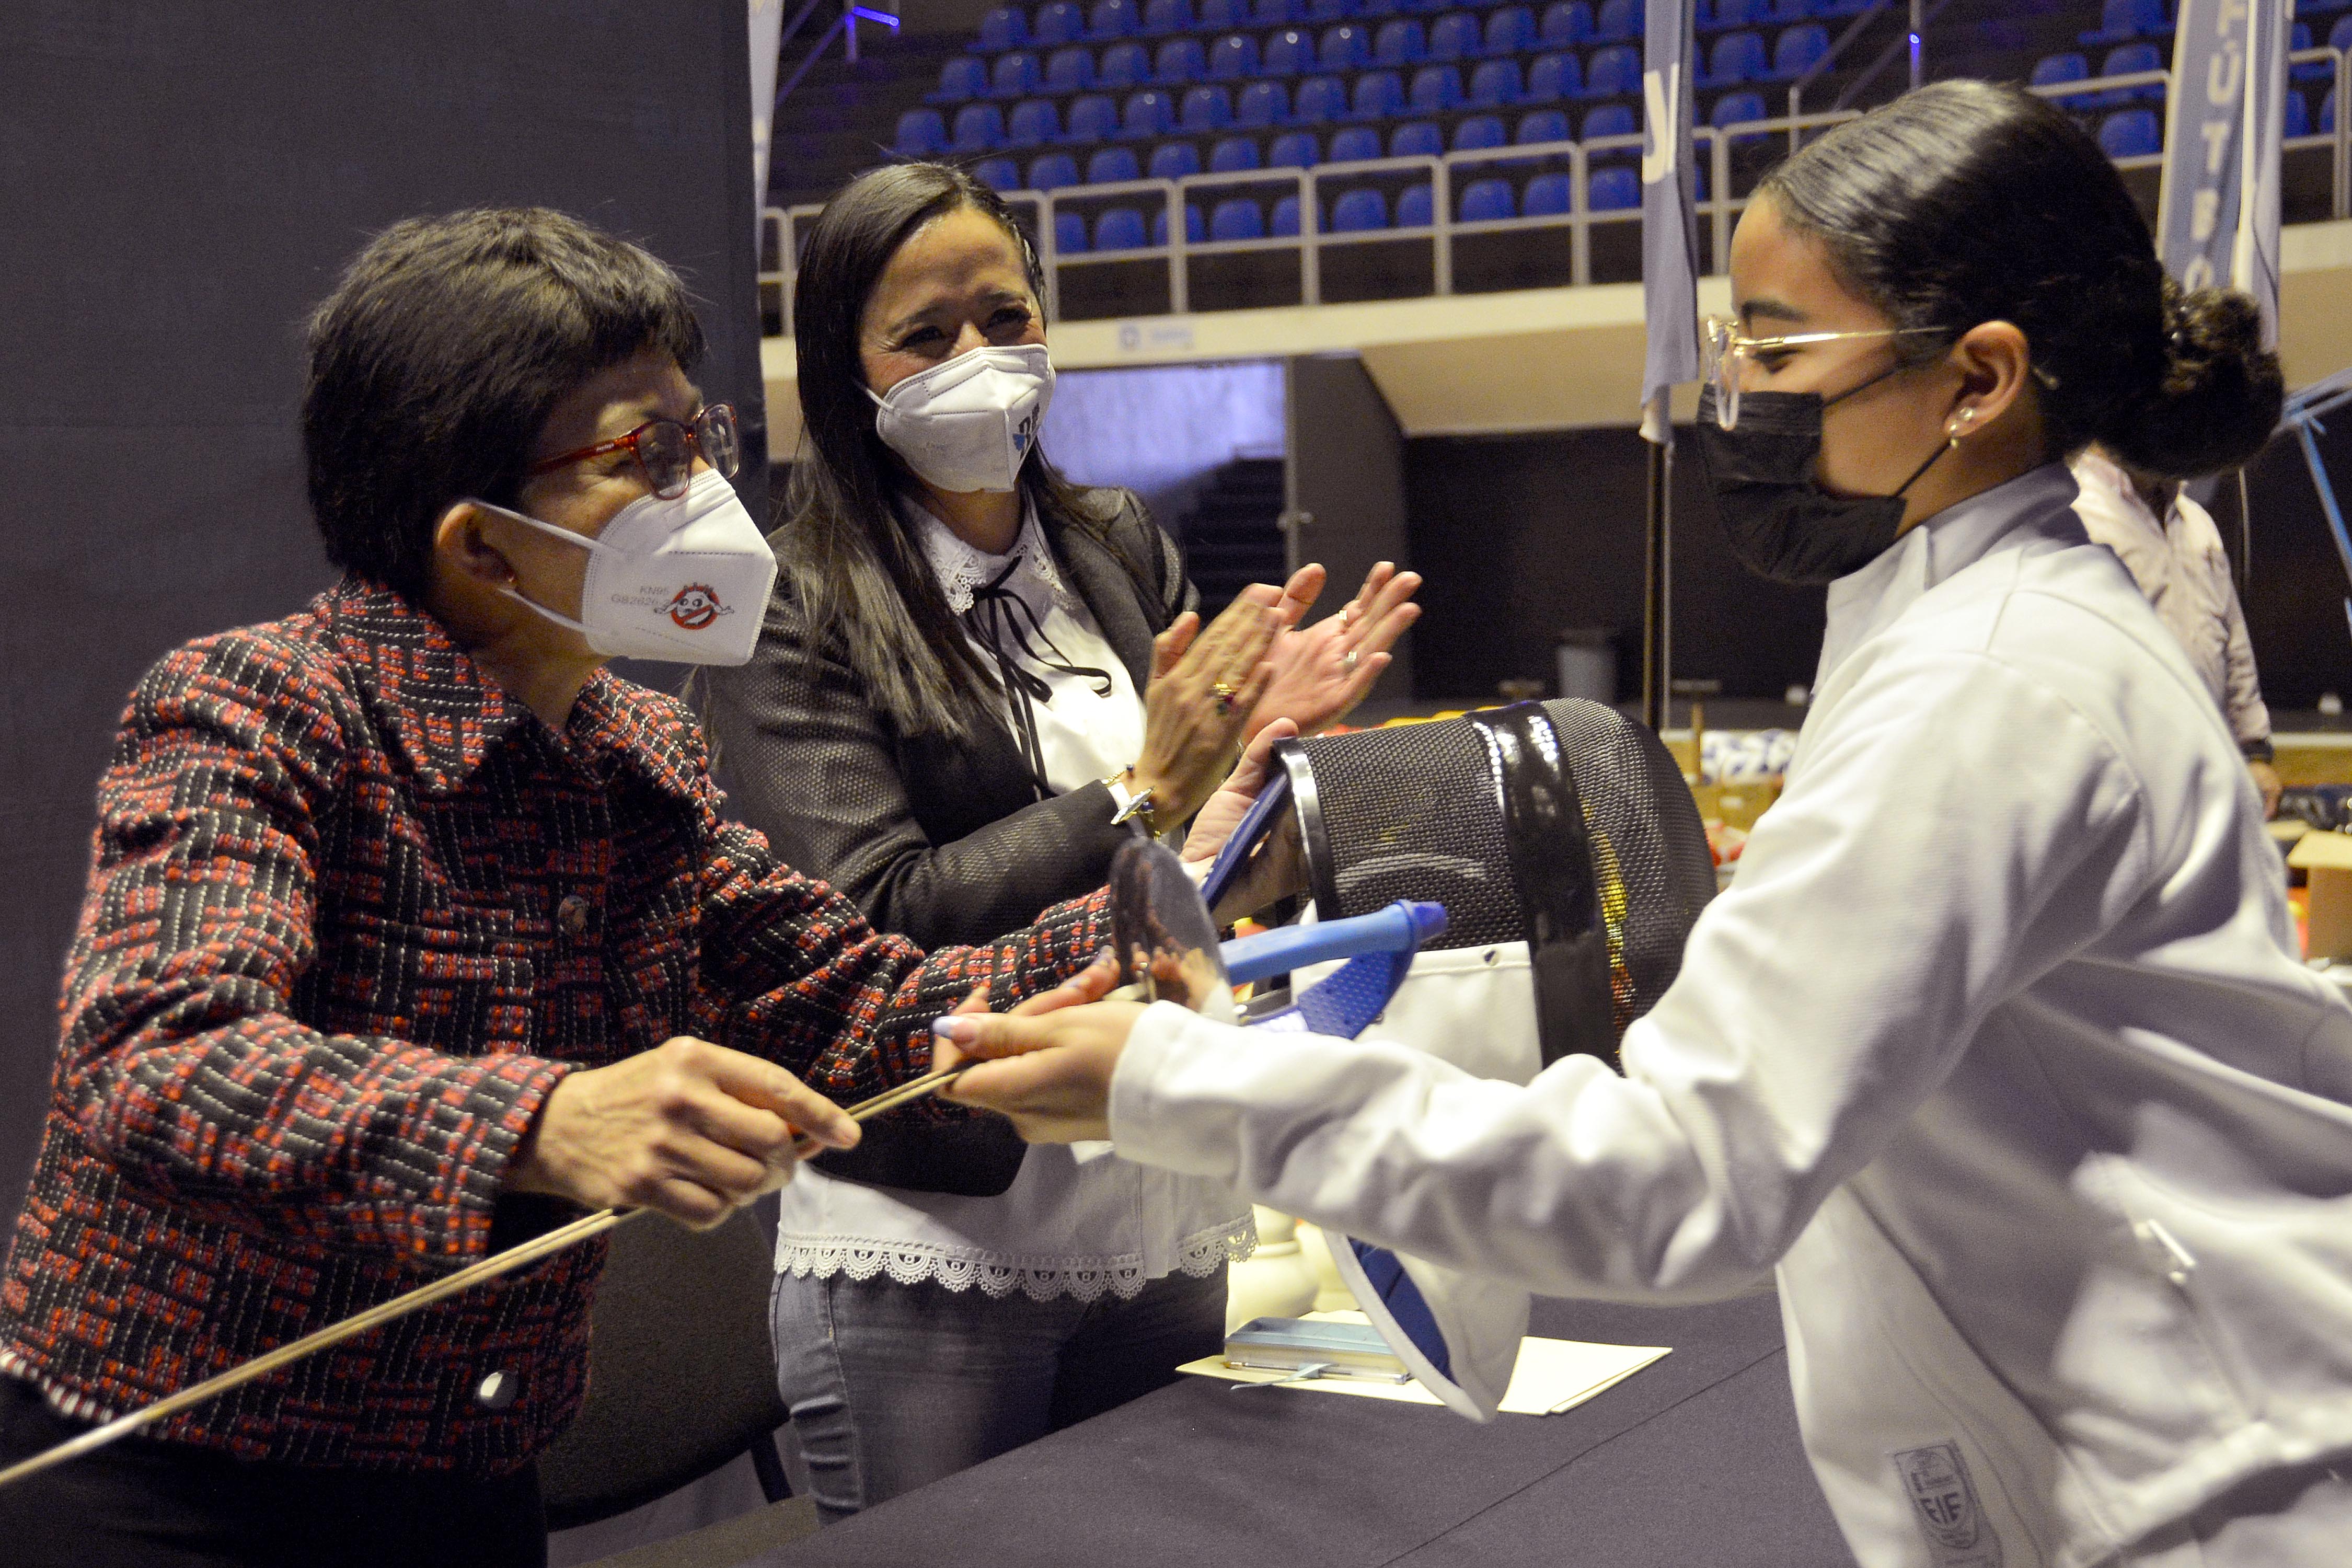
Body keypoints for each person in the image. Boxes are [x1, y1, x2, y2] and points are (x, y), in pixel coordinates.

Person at [940, 84, 2352, 1568]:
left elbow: (1687, 1178)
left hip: (2190, 1505)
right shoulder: (1984, 630)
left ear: (1977, 379)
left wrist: (1182, 1089)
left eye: (1777, 342)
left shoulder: (1990, 682)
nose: (1732, 382)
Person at [0, 206, 1130, 1568]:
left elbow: (868, 1009)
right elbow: (159, 1061)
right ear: (479, 548)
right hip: (171, 1484)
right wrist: (541, 1121)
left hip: (467, 1469)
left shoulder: (633, 756)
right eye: (637, 458)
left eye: (694, 437)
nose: (697, 492)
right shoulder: (260, 710)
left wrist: (1161, 916)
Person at [694, 162, 1419, 1521]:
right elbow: (878, 921)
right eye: (926, 333)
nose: (980, 356)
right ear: (848, 370)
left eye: (1004, 314)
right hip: (937, 1227)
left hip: (1153, 1188)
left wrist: (1262, 783)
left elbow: (1193, 860)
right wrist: (1141, 792)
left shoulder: (1112, 544)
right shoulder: (785, 606)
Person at [2070, 445, 2282, 815]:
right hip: (2123, 782)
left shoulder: (2196, 519)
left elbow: (2233, 642)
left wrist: (2253, 751)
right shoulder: (2074, 515)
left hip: (2208, 774)